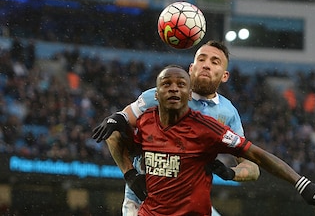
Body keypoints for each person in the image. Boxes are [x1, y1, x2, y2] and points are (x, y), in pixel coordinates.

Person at [128, 65, 315, 215]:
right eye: (166, 84)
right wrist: (130, 174)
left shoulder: (208, 128)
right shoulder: (144, 121)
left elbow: (256, 155)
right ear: (156, 94)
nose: (174, 88)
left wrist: (302, 184)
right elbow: (115, 138)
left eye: (181, 84)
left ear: (189, 93)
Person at [92, 40, 260, 215]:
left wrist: (230, 173)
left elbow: (252, 167)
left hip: (190, 202)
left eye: (214, 62)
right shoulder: (157, 96)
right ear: (191, 68)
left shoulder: (228, 113)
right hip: (147, 199)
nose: (206, 65)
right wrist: (130, 175)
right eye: (201, 59)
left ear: (224, 76)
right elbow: (115, 128)